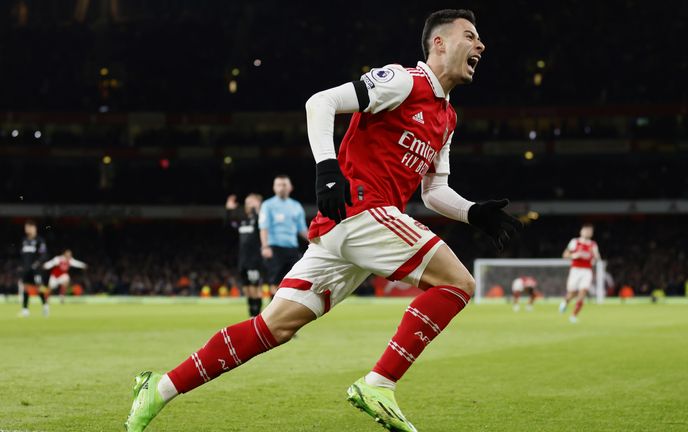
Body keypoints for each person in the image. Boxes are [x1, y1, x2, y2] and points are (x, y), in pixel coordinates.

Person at [125, 10, 519, 432]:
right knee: (458, 283)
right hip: (362, 211)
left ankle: (159, 388)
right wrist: (327, 169)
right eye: (470, 36)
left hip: (350, 228)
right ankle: (379, 384)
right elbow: (321, 102)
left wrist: (472, 211)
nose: (480, 45)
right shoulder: (405, 81)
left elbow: (433, 190)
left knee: (274, 327)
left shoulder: (447, 118)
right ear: (438, 43)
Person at [259, 175, 308, 295]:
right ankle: (274, 305)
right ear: (274, 187)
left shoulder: (296, 206)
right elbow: (263, 227)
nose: (281, 187)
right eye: (278, 185)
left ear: (291, 187)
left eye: (284, 185)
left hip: (292, 248)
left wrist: (316, 242)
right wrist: (265, 246)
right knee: (275, 281)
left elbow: (302, 229)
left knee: (292, 280)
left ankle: (287, 305)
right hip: (274, 248)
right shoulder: (267, 205)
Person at [225, 193, 265, 316]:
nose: (248, 205)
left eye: (251, 202)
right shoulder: (244, 221)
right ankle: (251, 314)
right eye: (247, 203)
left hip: (255, 260)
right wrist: (229, 211)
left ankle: (256, 315)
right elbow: (230, 225)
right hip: (243, 260)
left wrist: (257, 210)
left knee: (255, 288)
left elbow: (261, 225)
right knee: (247, 288)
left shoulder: (261, 220)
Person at [559, 223, 601, 323]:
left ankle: (573, 316)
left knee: (583, 292)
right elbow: (565, 255)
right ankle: (565, 302)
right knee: (572, 293)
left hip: (587, 271)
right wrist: (575, 255)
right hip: (575, 270)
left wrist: (595, 259)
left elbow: (597, 257)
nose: (588, 232)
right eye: (586, 230)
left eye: (590, 231)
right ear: (581, 231)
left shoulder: (593, 244)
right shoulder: (575, 242)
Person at [18, 220, 48, 317]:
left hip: (36, 269)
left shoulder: (40, 240)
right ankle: (25, 309)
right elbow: (22, 255)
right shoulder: (24, 240)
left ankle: (45, 306)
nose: (26, 229)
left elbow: (44, 254)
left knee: (39, 287)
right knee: (26, 288)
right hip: (26, 269)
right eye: (26, 227)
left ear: (34, 228)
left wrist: (37, 264)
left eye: (28, 227)